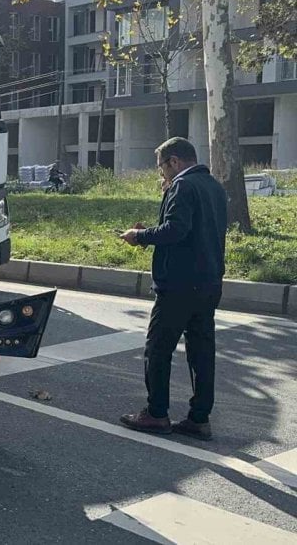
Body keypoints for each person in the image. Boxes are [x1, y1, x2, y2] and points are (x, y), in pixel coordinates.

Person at [118, 137, 228, 440]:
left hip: (179, 284)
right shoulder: (214, 187)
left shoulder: (183, 186)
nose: (161, 174)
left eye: (161, 168)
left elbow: (175, 230)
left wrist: (139, 236)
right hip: (209, 281)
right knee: (201, 353)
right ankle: (199, 418)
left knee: (157, 349)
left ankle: (156, 414)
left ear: (174, 162)